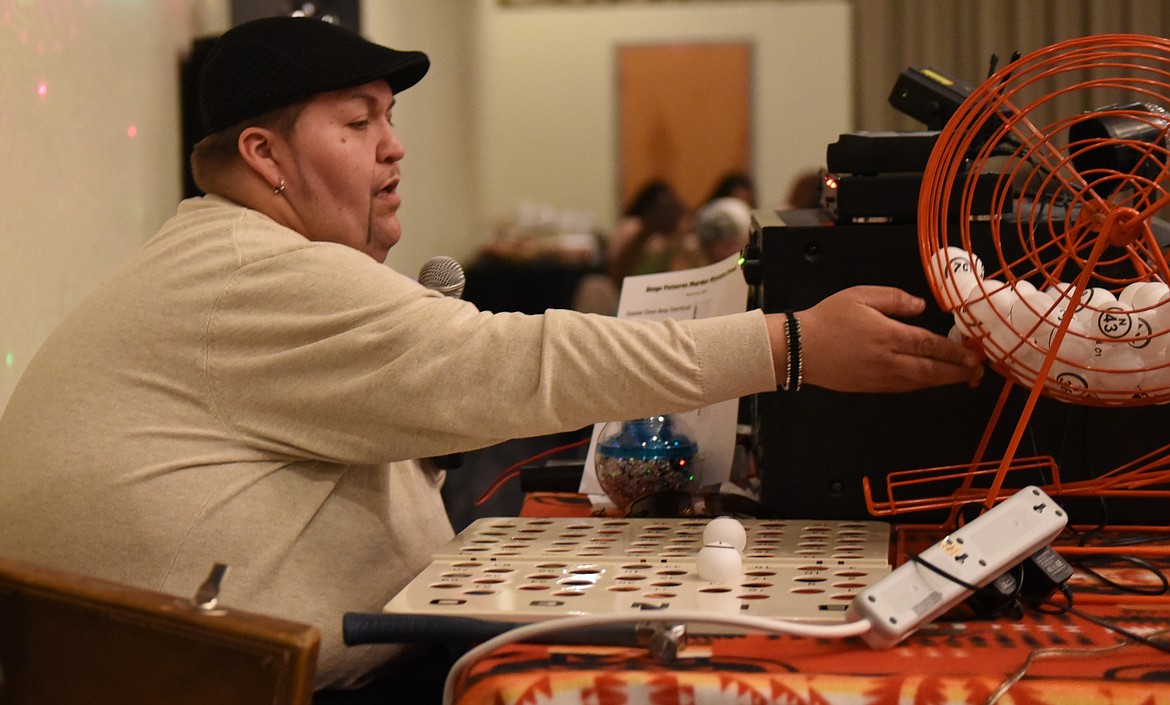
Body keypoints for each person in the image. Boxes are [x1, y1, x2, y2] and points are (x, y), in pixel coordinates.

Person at [0, 15, 983, 700]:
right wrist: (794, 344)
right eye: (356, 123)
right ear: (263, 157)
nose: (393, 149)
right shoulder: (246, 268)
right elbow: (511, 362)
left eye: (391, 119)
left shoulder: (218, 257)